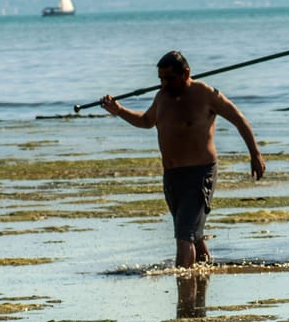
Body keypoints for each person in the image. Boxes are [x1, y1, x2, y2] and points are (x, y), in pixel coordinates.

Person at [101, 50, 264, 268]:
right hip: (172, 177)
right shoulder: (162, 97)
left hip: (200, 174)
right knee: (192, 234)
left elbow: (239, 120)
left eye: (169, 78)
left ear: (186, 73)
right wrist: (119, 110)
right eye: (160, 79)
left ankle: (184, 296)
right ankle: (203, 278)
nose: (164, 84)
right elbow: (146, 121)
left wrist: (255, 154)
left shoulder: (206, 94)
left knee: (184, 236)